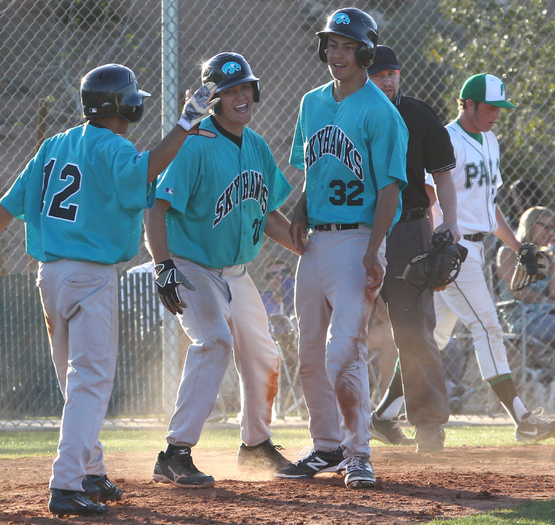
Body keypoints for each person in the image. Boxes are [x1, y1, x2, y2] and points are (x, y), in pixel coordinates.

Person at [0, 64, 218, 515]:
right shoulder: (115, 147)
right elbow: (149, 167)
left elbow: (8, 204)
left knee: (75, 383)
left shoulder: (54, 145)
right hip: (90, 278)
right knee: (91, 383)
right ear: (123, 105)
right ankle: (66, 484)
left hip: (50, 278)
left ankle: (91, 471)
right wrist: (184, 125)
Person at [145, 52, 298, 489]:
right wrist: (163, 266)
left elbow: (268, 215)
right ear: (212, 99)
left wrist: (307, 249)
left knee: (264, 355)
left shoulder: (256, 145)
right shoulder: (193, 143)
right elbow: (156, 206)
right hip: (193, 265)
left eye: (244, 87)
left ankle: (255, 445)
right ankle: (175, 454)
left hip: (237, 272)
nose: (240, 96)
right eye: (228, 91)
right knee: (214, 342)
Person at [275, 8, 408, 489]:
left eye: (346, 46)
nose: (336, 53)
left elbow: (390, 188)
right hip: (315, 244)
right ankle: (326, 445)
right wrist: (301, 208)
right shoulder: (312, 102)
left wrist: (375, 249)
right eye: (331, 44)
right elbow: (314, 167)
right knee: (310, 353)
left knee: (342, 353)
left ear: (365, 53)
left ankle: (359, 454)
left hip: (357, 241)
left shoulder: (380, 111)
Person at [429, 73, 555, 442]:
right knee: (487, 326)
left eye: (500, 108)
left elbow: (490, 208)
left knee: (435, 336)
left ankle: (384, 414)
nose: (497, 114)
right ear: (468, 104)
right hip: (452, 249)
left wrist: (519, 247)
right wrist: (434, 242)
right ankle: (522, 420)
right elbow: (428, 194)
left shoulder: (489, 140)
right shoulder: (447, 139)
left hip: (478, 248)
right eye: (491, 107)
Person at [365, 45, 459, 452]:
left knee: (416, 329)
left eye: (392, 73)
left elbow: (442, 176)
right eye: (378, 74)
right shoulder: (350, 113)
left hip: (408, 229)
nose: (387, 80)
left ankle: (428, 424)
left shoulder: (418, 114)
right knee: (346, 329)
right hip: (359, 231)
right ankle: (340, 428)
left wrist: (450, 224)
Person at [497, 206, 555, 383]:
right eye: (546, 227)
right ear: (531, 225)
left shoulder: (546, 258)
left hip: (552, 314)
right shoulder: (508, 252)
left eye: (554, 229)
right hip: (526, 319)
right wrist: (547, 301)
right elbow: (518, 291)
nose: (551, 233)